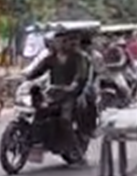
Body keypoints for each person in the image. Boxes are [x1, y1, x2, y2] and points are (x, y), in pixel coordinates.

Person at [23, 28, 91, 158]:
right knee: (39, 112)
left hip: (71, 94)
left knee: (65, 120)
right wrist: (27, 78)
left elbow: (81, 74)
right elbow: (38, 70)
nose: (59, 44)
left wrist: (74, 85)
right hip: (54, 92)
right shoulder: (51, 58)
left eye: (62, 41)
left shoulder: (78, 57)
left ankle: (76, 150)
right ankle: (38, 143)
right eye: (57, 41)